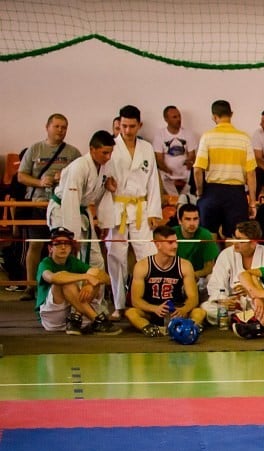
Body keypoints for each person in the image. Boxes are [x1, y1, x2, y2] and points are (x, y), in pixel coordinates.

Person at [101, 105, 163, 319]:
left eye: (131, 126)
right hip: (116, 205)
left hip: (141, 207)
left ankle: (152, 303)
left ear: (139, 125)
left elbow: (153, 180)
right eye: (124, 126)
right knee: (116, 255)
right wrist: (105, 184)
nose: (127, 131)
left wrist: (155, 211)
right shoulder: (111, 146)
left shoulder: (146, 148)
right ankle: (119, 305)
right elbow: (102, 174)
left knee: (147, 254)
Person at [17, 113, 82, 301]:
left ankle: (66, 282)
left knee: (65, 245)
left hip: (63, 205)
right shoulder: (35, 149)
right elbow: (21, 176)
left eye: (64, 127)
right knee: (35, 245)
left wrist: (63, 177)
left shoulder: (73, 152)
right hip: (39, 203)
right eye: (57, 127)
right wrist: (39, 182)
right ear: (47, 127)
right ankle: (31, 286)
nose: (60, 130)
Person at [47, 130, 116, 270]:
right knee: (67, 257)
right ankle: (63, 291)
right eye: (105, 153)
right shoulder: (79, 167)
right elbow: (70, 200)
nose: (108, 157)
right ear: (92, 149)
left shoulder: (104, 166)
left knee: (96, 260)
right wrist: (73, 235)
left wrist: (104, 221)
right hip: (63, 211)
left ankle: (95, 292)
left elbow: (96, 194)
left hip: (82, 211)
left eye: (110, 153)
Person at [35, 226, 119, 335]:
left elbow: (106, 278)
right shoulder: (45, 263)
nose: (63, 247)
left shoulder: (72, 261)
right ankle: (96, 319)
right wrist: (86, 277)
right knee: (66, 281)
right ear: (50, 248)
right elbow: (53, 278)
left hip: (74, 313)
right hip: (52, 317)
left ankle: (76, 318)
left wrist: (89, 284)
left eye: (67, 244)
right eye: (58, 244)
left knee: (94, 275)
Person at [125, 225, 206, 337]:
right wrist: (154, 309)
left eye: (176, 242)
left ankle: (190, 327)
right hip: (151, 311)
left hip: (176, 311)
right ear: (158, 244)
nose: (175, 246)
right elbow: (136, 300)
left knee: (199, 312)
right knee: (131, 313)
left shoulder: (185, 265)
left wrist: (183, 310)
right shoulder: (142, 266)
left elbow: (193, 297)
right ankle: (151, 329)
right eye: (170, 243)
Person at [194, 100, 257, 239]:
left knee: (209, 236)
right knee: (235, 236)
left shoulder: (207, 137)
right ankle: (232, 261)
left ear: (214, 117)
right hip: (236, 193)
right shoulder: (244, 138)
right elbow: (251, 173)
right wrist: (252, 202)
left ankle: (211, 262)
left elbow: (198, 170)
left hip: (212, 191)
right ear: (231, 114)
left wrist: (200, 193)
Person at [200, 220, 264, 325]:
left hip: (255, 304)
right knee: (206, 307)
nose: (234, 242)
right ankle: (242, 320)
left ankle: (241, 320)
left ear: (253, 243)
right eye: (234, 237)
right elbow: (216, 284)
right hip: (231, 305)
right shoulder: (226, 254)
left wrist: (249, 292)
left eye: (240, 240)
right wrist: (224, 300)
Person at [173, 203, 219, 295]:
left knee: (213, 277)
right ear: (179, 221)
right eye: (188, 219)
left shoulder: (205, 235)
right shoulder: (172, 234)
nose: (192, 223)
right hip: (176, 275)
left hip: (199, 277)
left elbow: (209, 268)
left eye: (195, 219)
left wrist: (192, 275)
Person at [153, 105, 197, 197]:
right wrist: (168, 170)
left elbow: (192, 155)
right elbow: (159, 159)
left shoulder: (188, 133)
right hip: (167, 175)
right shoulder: (160, 135)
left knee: (194, 174)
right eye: (174, 117)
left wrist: (189, 161)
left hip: (185, 174)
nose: (178, 119)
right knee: (161, 177)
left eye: (179, 116)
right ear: (166, 119)